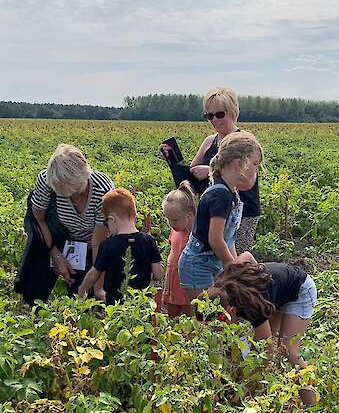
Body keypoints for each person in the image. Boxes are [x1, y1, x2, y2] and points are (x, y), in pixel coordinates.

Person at [202, 255, 318, 406]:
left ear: (230, 310)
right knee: (259, 348)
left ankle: (313, 407)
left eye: (222, 323)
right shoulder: (220, 287)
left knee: (289, 353)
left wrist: (244, 392)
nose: (221, 329)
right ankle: (263, 395)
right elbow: (247, 256)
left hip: (300, 289)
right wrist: (264, 284)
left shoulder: (250, 307)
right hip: (273, 293)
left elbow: (266, 354)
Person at [158, 87, 262, 253]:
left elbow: (248, 182)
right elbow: (190, 180)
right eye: (209, 115)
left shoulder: (245, 141)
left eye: (219, 114)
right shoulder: (209, 142)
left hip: (241, 213)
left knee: (234, 265)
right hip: (215, 210)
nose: (215, 120)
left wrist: (212, 171)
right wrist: (172, 160)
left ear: (233, 112)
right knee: (213, 261)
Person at [14, 144, 115, 303]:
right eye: (66, 194)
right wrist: (57, 256)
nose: (72, 196)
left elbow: (98, 243)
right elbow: (38, 219)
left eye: (76, 191)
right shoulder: (46, 181)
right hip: (57, 236)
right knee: (33, 288)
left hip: (91, 244)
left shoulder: (102, 189)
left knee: (85, 296)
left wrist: (97, 287)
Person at [178, 131, 261, 300]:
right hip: (198, 264)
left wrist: (233, 261)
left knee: (219, 314)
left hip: (212, 262)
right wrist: (232, 267)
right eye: (255, 164)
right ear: (239, 163)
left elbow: (227, 237)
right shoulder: (220, 196)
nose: (256, 169)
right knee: (206, 317)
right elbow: (215, 239)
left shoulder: (232, 192)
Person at [77, 188, 163, 304]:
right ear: (135, 216)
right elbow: (158, 274)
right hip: (141, 304)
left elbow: (94, 274)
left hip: (114, 305)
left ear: (112, 219)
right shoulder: (149, 241)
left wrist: (81, 292)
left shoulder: (108, 245)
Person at [161, 181, 197, 317]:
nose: (171, 224)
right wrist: (166, 289)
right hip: (173, 283)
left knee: (190, 319)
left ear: (189, 215)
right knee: (172, 319)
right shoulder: (175, 231)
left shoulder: (195, 234)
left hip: (188, 284)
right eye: (168, 219)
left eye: (175, 220)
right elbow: (171, 260)